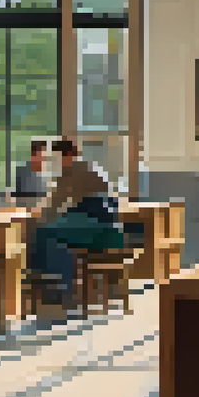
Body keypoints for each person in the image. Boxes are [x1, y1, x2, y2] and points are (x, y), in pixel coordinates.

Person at [27, 139, 125, 326]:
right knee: (56, 234)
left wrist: (38, 216)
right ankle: (59, 287)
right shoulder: (91, 167)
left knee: (43, 233)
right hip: (110, 230)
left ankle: (54, 289)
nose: (55, 164)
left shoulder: (71, 171)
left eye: (56, 159)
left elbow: (53, 205)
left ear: (68, 156)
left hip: (94, 228)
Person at [13, 139, 50, 205]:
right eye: (41, 155)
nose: (44, 158)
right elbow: (21, 197)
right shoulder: (22, 172)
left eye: (45, 156)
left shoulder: (46, 172)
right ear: (33, 155)